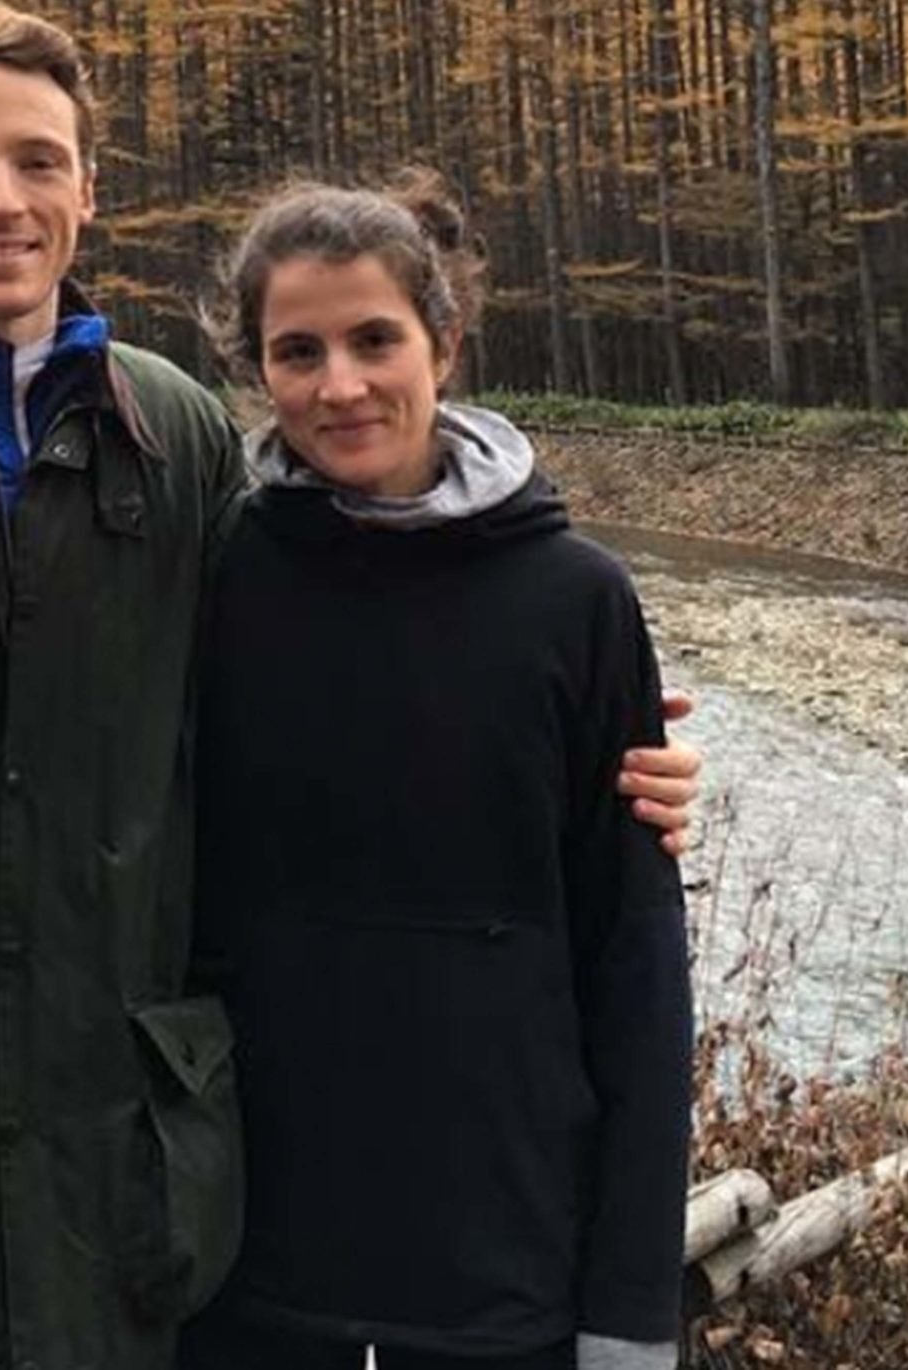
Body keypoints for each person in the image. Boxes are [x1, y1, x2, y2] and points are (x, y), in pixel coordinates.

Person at [0, 7, 703, 1369]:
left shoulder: (177, 438)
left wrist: (609, 751)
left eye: (38, 160)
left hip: (142, 1185)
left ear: (91, 189)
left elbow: (355, 647)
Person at [181, 176, 692, 1370]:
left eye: (374, 339)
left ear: (444, 343)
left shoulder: (577, 601)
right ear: (256, 370)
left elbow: (634, 963)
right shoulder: (213, 578)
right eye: (295, 350)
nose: (339, 383)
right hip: (243, 1255)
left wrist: (628, 1307)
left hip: (505, 1256)